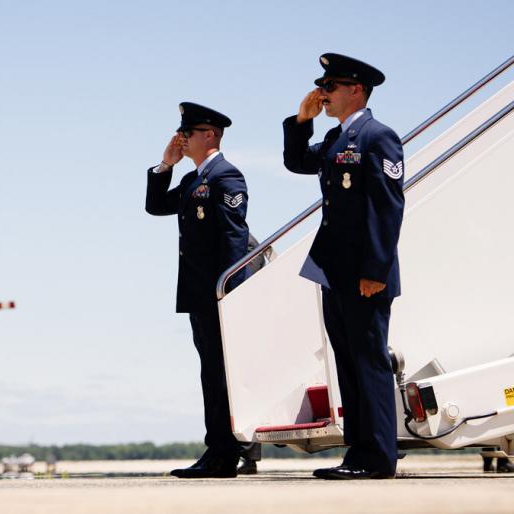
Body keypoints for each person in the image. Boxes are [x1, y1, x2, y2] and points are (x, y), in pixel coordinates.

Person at [282, 53, 404, 480]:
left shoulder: (378, 137)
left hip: (365, 274)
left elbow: (387, 208)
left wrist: (375, 270)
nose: (323, 94)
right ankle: (359, 453)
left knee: (369, 362)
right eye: (322, 87)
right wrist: (302, 121)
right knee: (348, 363)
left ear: (356, 90)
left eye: (330, 87)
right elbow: (297, 162)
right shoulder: (336, 140)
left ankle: (378, 458)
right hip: (334, 270)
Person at [145, 102, 257, 478]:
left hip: (217, 295)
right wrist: (166, 165)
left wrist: (230, 293)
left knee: (220, 374)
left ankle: (225, 454)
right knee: (211, 373)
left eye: (188, 133)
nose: (182, 138)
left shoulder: (226, 176)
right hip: (199, 294)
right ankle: (218, 451)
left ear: (209, 135)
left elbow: (233, 240)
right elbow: (156, 205)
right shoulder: (193, 180)